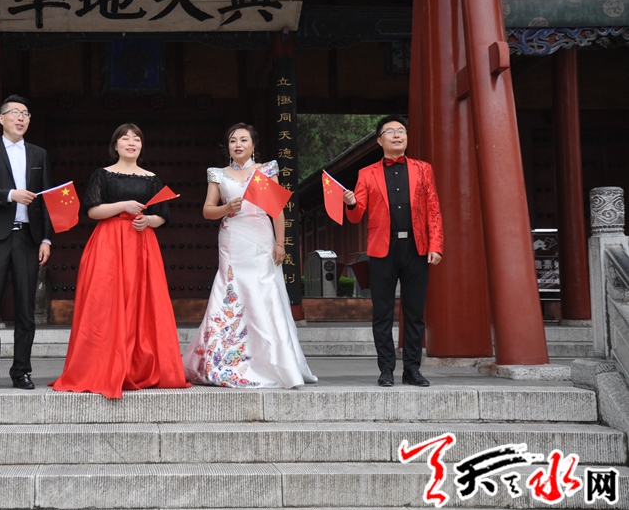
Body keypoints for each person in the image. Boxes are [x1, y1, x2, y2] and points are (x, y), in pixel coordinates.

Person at [51, 124, 189, 399]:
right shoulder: (102, 175)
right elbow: (93, 211)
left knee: (142, 301)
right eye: (125, 139)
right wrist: (123, 206)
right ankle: (103, 366)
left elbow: (162, 216)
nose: (131, 142)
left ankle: (139, 367)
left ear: (141, 146)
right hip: (109, 242)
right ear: (115, 145)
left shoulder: (152, 179)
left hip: (141, 243)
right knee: (105, 302)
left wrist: (148, 220)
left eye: (136, 139)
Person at [183, 123, 316, 388]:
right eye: (233, 140)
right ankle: (222, 359)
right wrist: (226, 209)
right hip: (232, 238)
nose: (238, 145)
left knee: (264, 291)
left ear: (254, 144)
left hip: (261, 238)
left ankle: (273, 362)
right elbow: (208, 210)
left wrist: (280, 243)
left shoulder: (265, 171)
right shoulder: (219, 174)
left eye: (244, 140)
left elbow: (277, 211)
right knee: (230, 290)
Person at [342, 115, 443, 388]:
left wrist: (436, 245)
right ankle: (386, 369)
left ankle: (412, 369)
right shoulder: (367, 173)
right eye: (390, 132)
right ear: (379, 140)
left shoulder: (423, 169)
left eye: (401, 131)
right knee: (382, 314)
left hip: (416, 247)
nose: (397, 135)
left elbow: (433, 208)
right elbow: (357, 214)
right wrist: (350, 203)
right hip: (382, 249)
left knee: (414, 313)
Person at [0, 95, 52, 391]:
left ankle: (22, 371)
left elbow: (46, 199)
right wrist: (10, 195)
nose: (21, 118)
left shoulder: (39, 154)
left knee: (26, 309)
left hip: (28, 238)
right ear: (1, 118)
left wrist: (46, 238)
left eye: (26, 114)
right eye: (15, 112)